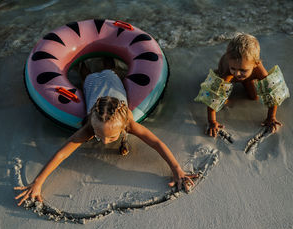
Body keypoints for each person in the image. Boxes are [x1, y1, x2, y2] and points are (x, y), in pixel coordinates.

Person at [14, 58, 196, 206]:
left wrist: (177, 169)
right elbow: (62, 154)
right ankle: (81, 64)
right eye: (99, 135)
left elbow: (156, 143)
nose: (105, 141)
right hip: (92, 85)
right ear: (92, 125)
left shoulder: (128, 122)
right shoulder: (90, 126)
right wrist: (38, 182)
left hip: (112, 80)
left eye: (112, 137)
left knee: (110, 69)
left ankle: (106, 59)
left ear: (124, 127)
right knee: (87, 77)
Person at [206, 32, 282, 137]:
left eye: (242, 69)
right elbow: (213, 98)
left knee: (254, 97)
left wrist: (271, 117)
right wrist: (212, 122)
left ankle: (248, 80)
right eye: (234, 68)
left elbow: (272, 93)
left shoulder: (259, 71)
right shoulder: (229, 71)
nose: (237, 73)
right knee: (222, 101)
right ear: (229, 61)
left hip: (249, 76)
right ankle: (237, 77)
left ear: (256, 64)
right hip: (226, 74)